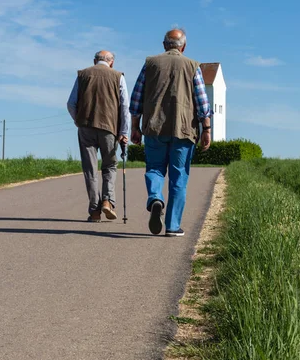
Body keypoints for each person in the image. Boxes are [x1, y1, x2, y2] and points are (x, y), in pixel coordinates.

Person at [130, 29, 212, 237]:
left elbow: (136, 97)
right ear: (183, 46)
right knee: (179, 177)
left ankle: (156, 197)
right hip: (183, 129)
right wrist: (207, 129)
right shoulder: (193, 66)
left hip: (154, 127)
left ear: (164, 44)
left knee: (155, 168)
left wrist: (134, 126)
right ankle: (172, 226)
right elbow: (202, 101)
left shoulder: (150, 63)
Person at [67, 50, 130, 222]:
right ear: (112, 62)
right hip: (109, 127)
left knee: (90, 169)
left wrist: (78, 121)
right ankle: (107, 201)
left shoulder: (83, 75)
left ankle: (95, 211)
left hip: (86, 127)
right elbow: (124, 106)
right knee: (109, 165)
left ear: (95, 61)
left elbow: (71, 103)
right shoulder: (118, 76)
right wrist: (124, 132)